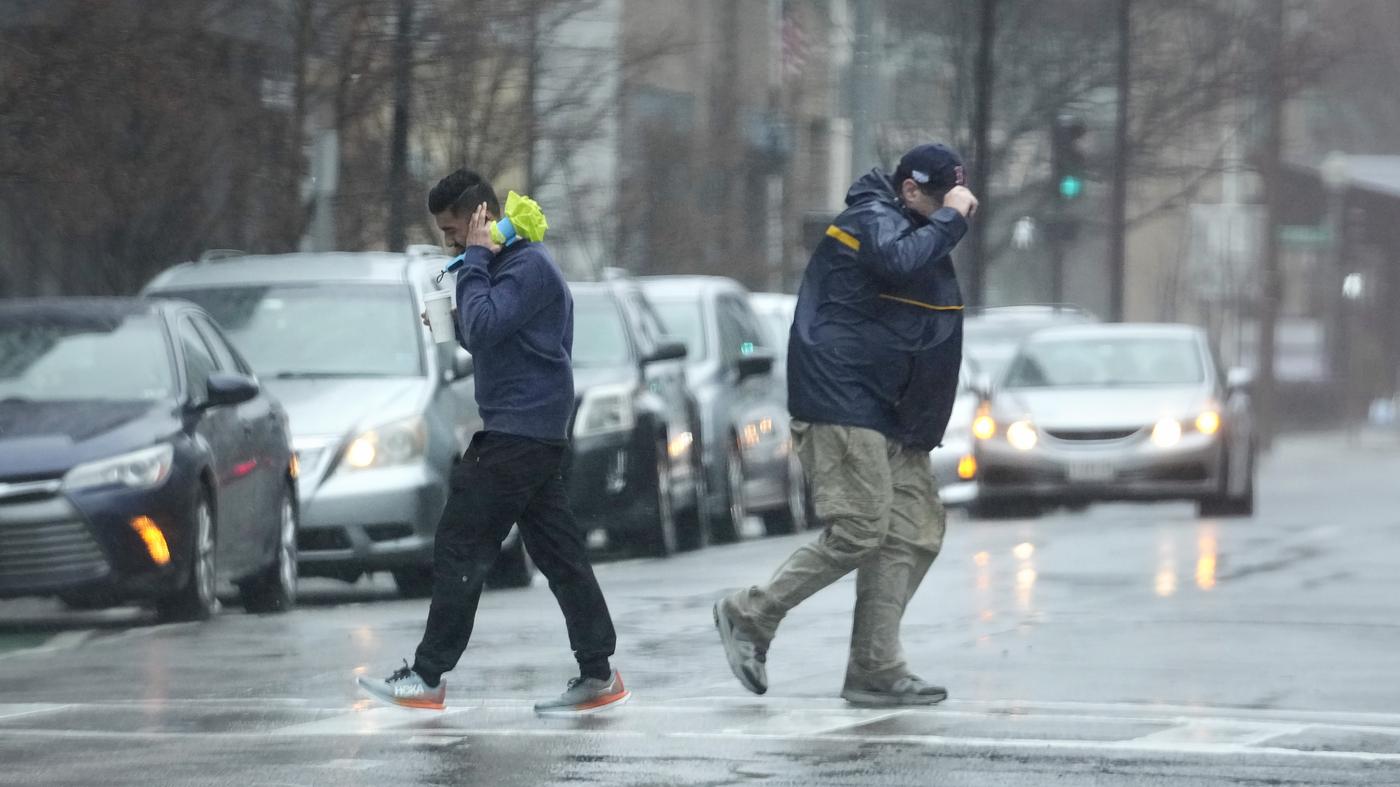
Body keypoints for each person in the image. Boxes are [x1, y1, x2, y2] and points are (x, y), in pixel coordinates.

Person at [713, 144, 978, 706]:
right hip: (843, 402)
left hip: (888, 415)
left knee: (915, 527)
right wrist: (952, 218)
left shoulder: (911, 226)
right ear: (910, 191)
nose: (954, 208)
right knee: (860, 527)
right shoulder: (869, 220)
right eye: (942, 198)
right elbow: (897, 262)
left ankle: (875, 666)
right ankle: (750, 615)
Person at [358, 169, 628, 714]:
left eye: (455, 230)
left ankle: (429, 675)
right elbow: (488, 334)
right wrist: (451, 317)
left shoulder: (525, 266)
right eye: (443, 233)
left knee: (461, 541)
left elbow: (485, 328)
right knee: (560, 553)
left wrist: (474, 263)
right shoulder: (508, 267)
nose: (449, 242)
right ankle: (599, 673)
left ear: (481, 217)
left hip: (519, 431)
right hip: (528, 428)